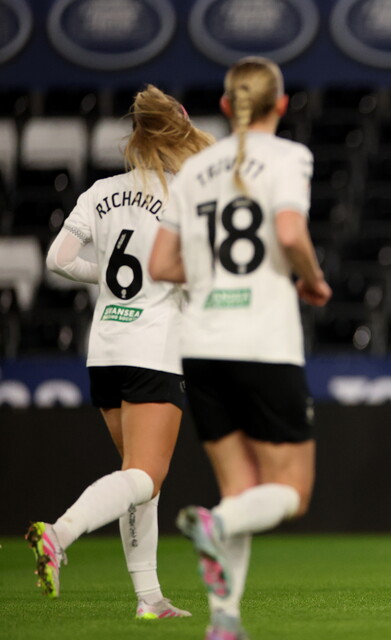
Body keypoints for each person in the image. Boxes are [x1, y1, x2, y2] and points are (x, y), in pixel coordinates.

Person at [148, 56, 331, 639]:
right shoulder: (287, 156)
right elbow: (287, 232)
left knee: (242, 490)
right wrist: (313, 278)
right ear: (281, 104)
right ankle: (213, 523)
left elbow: (161, 264)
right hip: (264, 344)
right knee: (291, 492)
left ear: (226, 107)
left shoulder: (196, 167)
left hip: (199, 344)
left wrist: (211, 281)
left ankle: (224, 622)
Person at [27, 85, 214, 618]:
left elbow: (57, 259)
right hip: (155, 348)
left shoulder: (101, 191)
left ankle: (149, 598)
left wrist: (104, 280)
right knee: (146, 477)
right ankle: (58, 535)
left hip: (105, 349)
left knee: (138, 480)